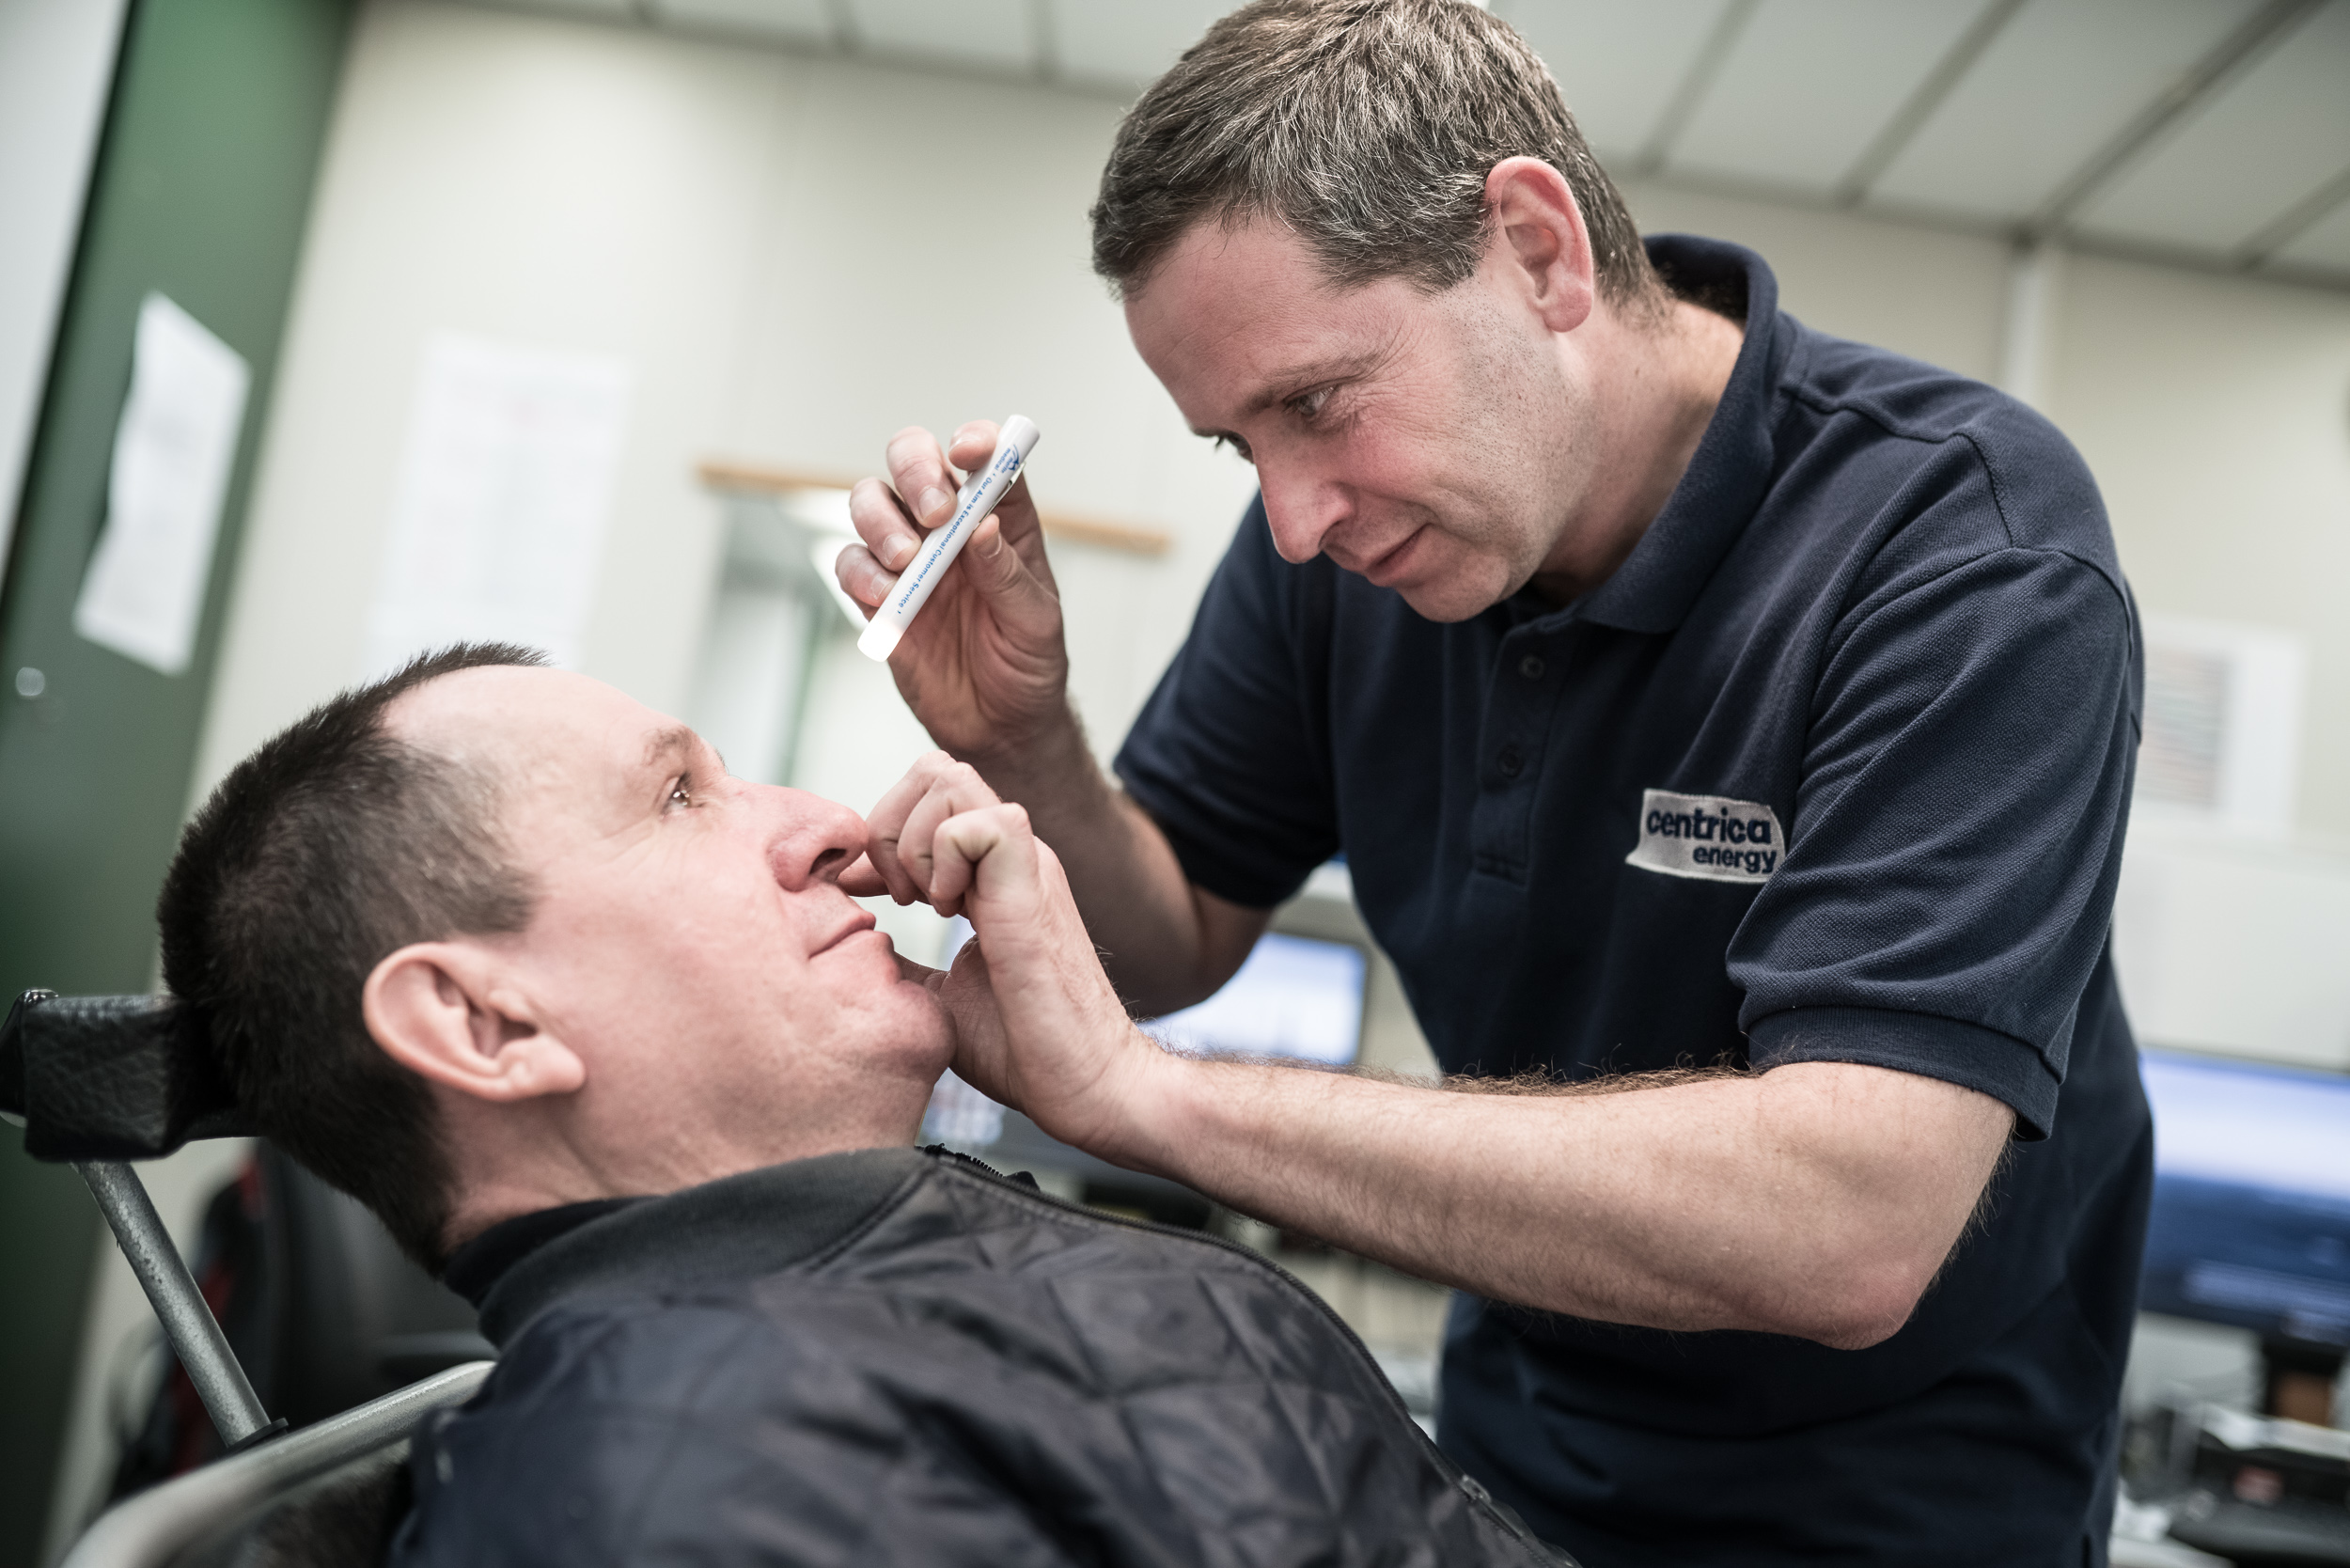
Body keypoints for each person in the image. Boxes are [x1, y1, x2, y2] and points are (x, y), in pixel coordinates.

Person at [832, 2, 2153, 1564]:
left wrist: (1144, 1105)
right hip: (1507, 1459)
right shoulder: (1349, 554)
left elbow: (1850, 1219)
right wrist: (1026, 739)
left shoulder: (1962, 546)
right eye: (1236, 448)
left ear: (1538, 251)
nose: (1295, 521)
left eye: (1318, 403)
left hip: (1893, 1512)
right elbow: (1168, 934)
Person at [154, 644, 1566, 1568]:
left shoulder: (860, 1309)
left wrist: (1138, 1095)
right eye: (681, 800)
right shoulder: (677, 1495)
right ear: (485, 1022)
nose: (829, 822)